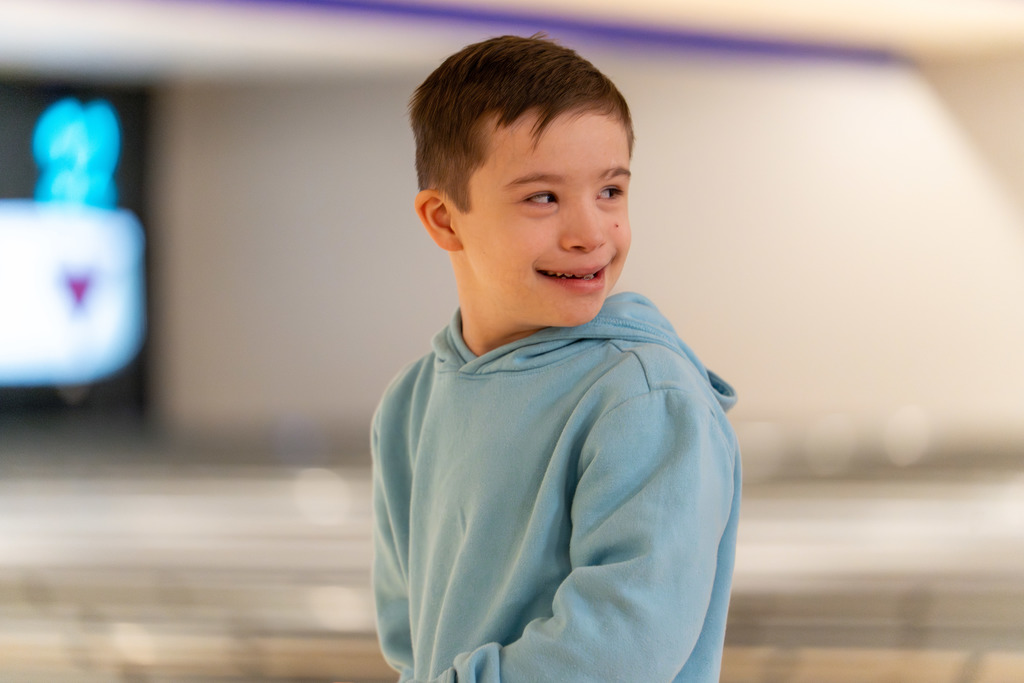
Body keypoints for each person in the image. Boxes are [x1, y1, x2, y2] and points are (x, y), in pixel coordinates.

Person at [371, 34, 741, 683]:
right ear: (445, 220)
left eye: (611, 191)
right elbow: (409, 640)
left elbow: (621, 645)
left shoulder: (645, 398)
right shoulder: (410, 404)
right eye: (543, 197)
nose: (590, 233)